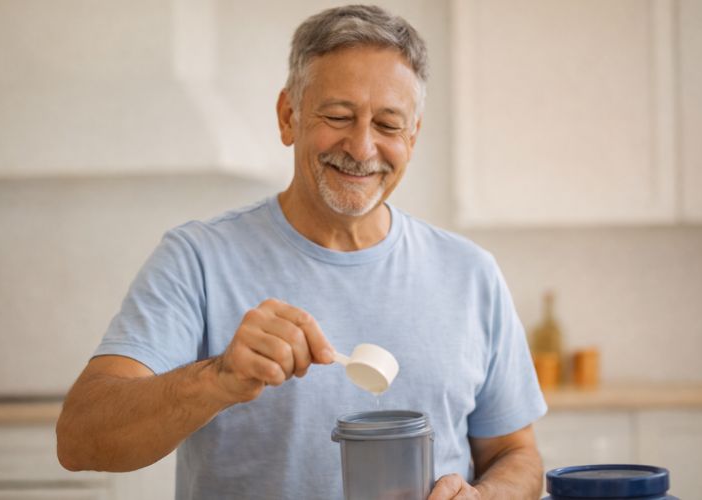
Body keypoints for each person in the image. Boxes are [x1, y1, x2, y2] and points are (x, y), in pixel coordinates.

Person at [56, 5, 547, 499]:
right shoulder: (198, 260)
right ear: (288, 116)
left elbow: (515, 454)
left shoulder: (470, 274)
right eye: (338, 116)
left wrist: (487, 497)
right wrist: (218, 378)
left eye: (388, 125)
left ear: (412, 137)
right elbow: (80, 439)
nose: (361, 147)